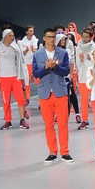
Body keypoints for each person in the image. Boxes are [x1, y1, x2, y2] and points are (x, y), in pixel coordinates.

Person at [32, 28, 73, 162]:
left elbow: (66, 71)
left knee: (63, 124)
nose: (51, 39)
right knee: (49, 124)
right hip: (45, 93)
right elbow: (35, 73)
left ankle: (65, 152)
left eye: (53, 37)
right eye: (49, 37)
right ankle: (52, 151)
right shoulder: (37, 55)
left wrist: (55, 67)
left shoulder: (63, 53)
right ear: (44, 38)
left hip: (60, 92)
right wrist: (45, 67)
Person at [0, 29, 29, 130]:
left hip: (15, 77)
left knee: (21, 99)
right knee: (6, 101)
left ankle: (22, 120)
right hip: (3, 78)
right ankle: (8, 121)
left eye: (13, 35)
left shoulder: (15, 48)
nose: (12, 37)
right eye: (10, 35)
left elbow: (20, 62)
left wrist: (22, 77)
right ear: (5, 36)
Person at [76, 28, 95, 130]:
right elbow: (78, 63)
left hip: (93, 76)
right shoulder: (78, 48)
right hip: (83, 77)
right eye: (83, 36)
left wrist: (91, 59)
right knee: (84, 100)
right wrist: (81, 60)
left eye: (86, 37)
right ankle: (85, 120)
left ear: (90, 37)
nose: (84, 39)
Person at [19, 24, 39, 103]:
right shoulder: (22, 42)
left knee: (38, 80)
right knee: (27, 81)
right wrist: (27, 50)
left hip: (34, 63)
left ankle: (42, 97)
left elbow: (36, 51)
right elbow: (22, 54)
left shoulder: (35, 40)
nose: (32, 32)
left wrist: (33, 50)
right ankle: (27, 98)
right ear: (26, 32)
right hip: (26, 63)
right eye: (30, 31)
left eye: (33, 31)